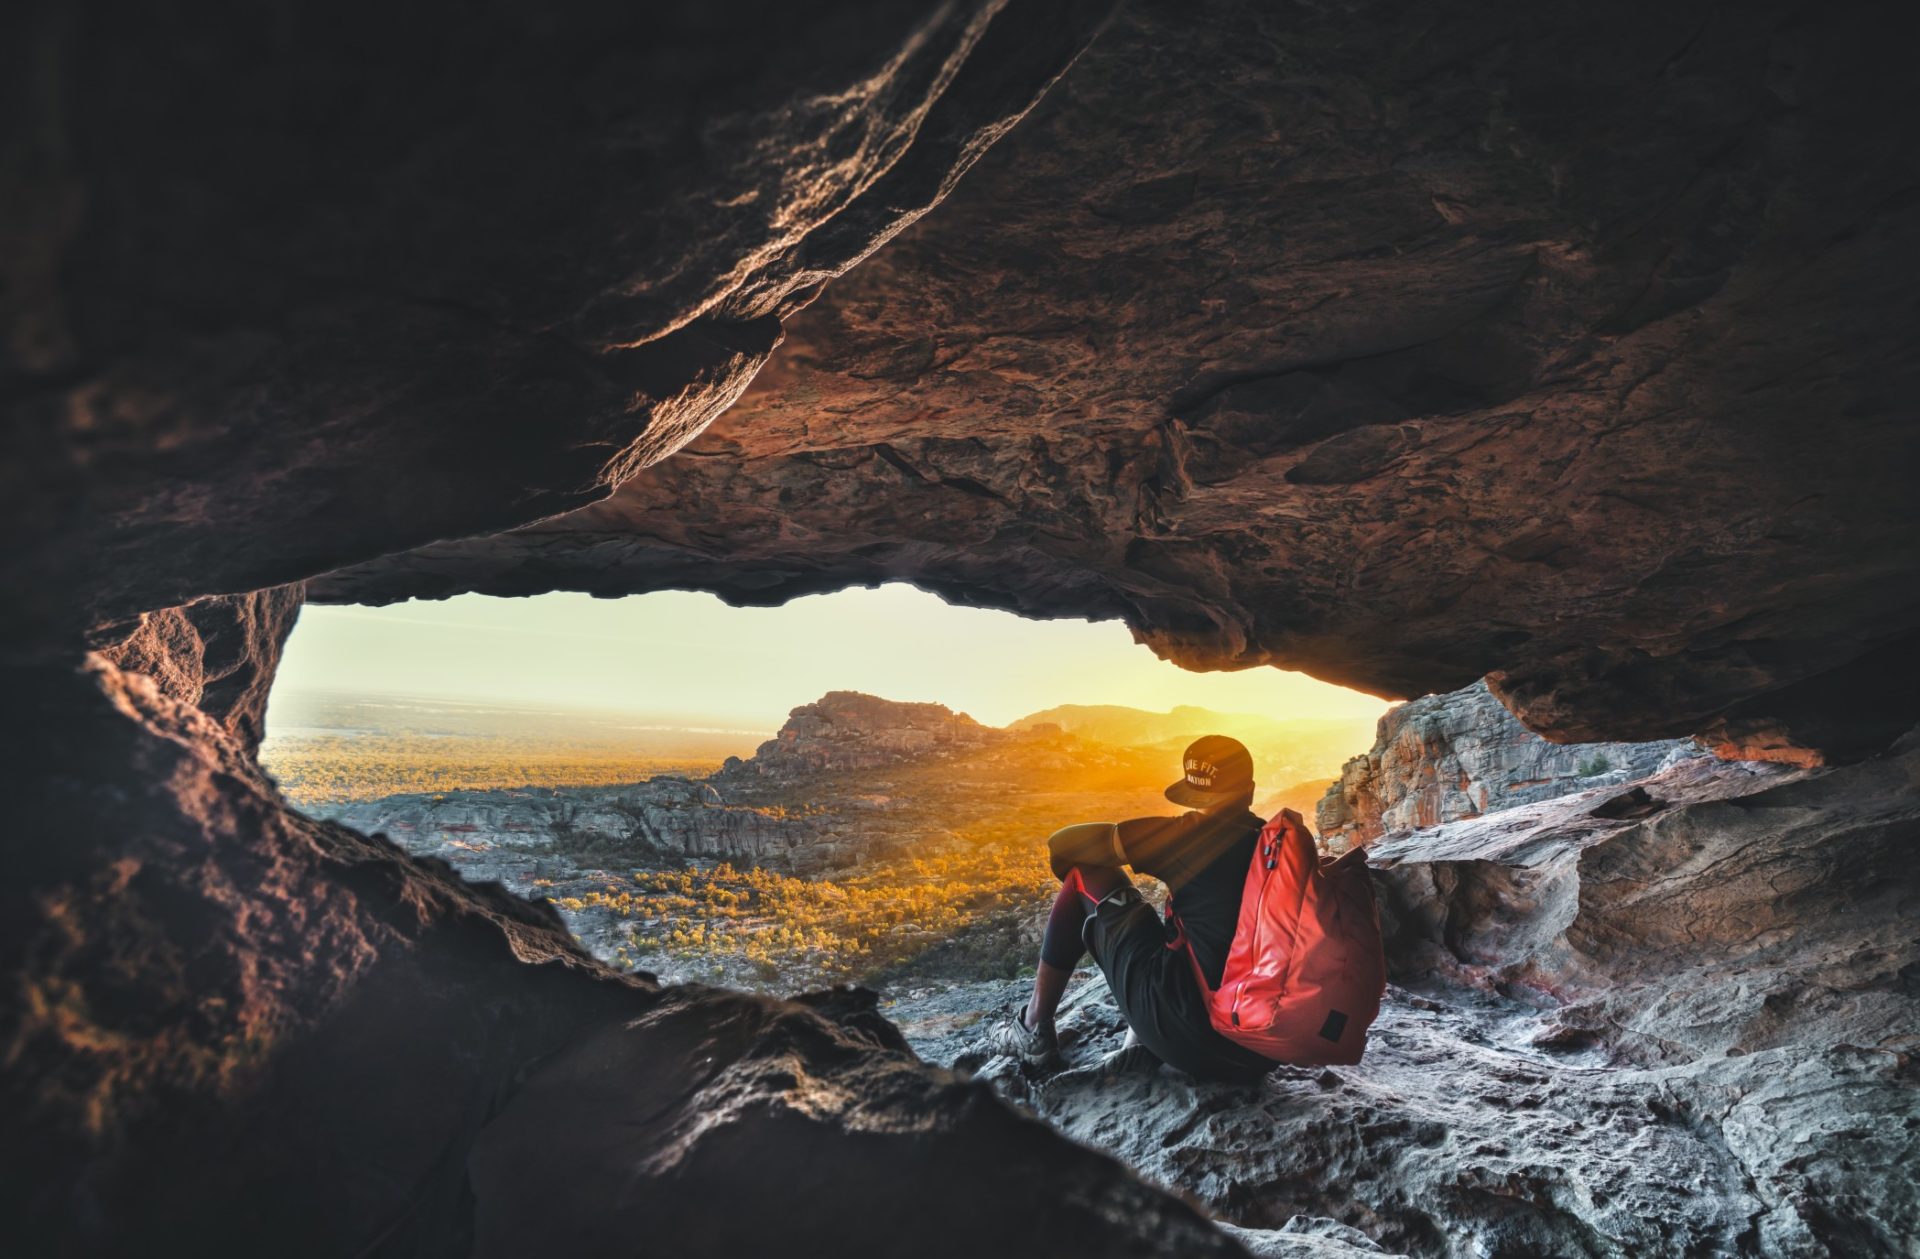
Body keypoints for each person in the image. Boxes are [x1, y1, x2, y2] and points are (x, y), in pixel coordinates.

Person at [983, 734, 1285, 1083]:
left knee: (1086, 875)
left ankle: (1033, 1026)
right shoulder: (1272, 844)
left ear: (1195, 796)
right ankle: (1142, 1031)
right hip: (1263, 1049)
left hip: (1195, 1041)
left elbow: (1064, 845)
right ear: (1249, 790)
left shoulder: (1191, 835)